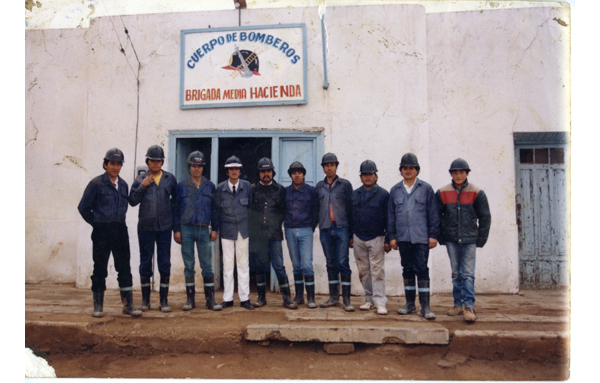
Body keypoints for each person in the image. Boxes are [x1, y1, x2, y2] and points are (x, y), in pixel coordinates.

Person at [78, 148, 142, 318]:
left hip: (120, 229)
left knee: (124, 268)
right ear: (105, 164)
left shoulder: (124, 185)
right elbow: (83, 207)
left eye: (118, 164)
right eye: (112, 163)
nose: (115, 167)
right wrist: (96, 223)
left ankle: (128, 305)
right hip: (102, 231)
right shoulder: (96, 183)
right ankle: (98, 306)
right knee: (99, 268)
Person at [436, 158, 491, 322]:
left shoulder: (477, 192)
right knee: (456, 273)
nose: (458, 175)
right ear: (451, 174)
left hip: (469, 240)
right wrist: (441, 236)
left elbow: (485, 217)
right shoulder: (442, 192)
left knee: (467, 274)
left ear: (467, 173)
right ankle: (457, 305)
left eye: (461, 172)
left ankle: (469, 306)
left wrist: (480, 239)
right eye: (455, 172)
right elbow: (436, 216)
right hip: (451, 240)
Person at [388, 153, 440, 320]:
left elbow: (433, 213)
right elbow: (391, 216)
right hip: (403, 237)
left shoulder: (426, 188)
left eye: (411, 168)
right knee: (407, 270)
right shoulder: (395, 190)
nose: (408, 171)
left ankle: (425, 307)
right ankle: (410, 305)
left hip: (421, 238)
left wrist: (433, 235)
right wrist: (392, 236)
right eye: (405, 168)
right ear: (401, 171)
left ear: (417, 170)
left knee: (422, 269)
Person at [128, 145, 177, 313]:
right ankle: (145, 300)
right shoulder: (140, 179)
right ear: (147, 162)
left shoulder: (170, 179)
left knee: (164, 263)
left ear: (162, 162)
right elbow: (132, 201)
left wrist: (174, 225)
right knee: (145, 262)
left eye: (158, 161)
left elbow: (176, 202)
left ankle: (163, 301)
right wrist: (142, 185)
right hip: (146, 228)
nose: (155, 164)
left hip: (164, 227)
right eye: (152, 161)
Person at [172, 151, 222, 311]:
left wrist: (215, 228)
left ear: (203, 168)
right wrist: (176, 229)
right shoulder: (181, 186)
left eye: (199, 166)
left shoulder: (210, 186)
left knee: (207, 265)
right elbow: (175, 209)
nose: (196, 169)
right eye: (194, 165)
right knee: (188, 265)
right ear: (190, 167)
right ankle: (190, 300)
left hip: (203, 229)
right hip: (186, 228)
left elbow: (215, 209)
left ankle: (210, 300)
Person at [250, 158, 296, 309]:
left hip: (274, 235)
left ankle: (287, 299)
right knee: (260, 266)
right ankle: (261, 298)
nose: (266, 174)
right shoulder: (253, 189)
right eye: (263, 171)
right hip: (258, 236)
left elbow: (283, 211)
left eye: (268, 171)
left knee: (279, 266)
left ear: (272, 172)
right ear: (259, 173)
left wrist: (274, 225)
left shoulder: (280, 190)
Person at [351, 160, 391, 315]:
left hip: (377, 237)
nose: (367, 177)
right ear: (361, 177)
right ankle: (369, 300)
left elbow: (389, 218)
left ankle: (380, 302)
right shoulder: (355, 194)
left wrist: (388, 239)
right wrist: (351, 237)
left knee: (377, 271)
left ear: (376, 176)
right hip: (359, 237)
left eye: (370, 174)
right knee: (364, 271)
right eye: (364, 174)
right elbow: (350, 217)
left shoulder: (383, 194)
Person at [315, 153, 355, 311]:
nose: (329, 167)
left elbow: (351, 210)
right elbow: (315, 209)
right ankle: (333, 297)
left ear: (336, 167)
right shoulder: (319, 186)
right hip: (325, 229)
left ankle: (346, 300)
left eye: (332, 165)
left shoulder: (345, 185)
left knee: (343, 263)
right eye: (326, 165)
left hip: (342, 228)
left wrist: (351, 233)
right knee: (330, 263)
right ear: (323, 168)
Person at [215, 155, 254, 310]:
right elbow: (217, 211)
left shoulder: (247, 187)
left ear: (240, 171)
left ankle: (244, 299)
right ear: (227, 172)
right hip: (226, 232)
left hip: (243, 231)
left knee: (243, 265)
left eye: (236, 169)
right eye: (231, 169)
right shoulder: (220, 188)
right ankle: (228, 298)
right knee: (228, 265)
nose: (234, 171)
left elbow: (251, 208)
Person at [284, 161, 319, 308]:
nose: (296, 175)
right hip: (290, 230)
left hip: (305, 230)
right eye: (293, 173)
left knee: (306, 264)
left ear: (304, 175)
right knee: (296, 265)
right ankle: (299, 296)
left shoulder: (311, 191)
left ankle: (311, 297)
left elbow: (316, 211)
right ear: (291, 176)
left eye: (299, 172)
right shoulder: (285, 191)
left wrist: (310, 227)